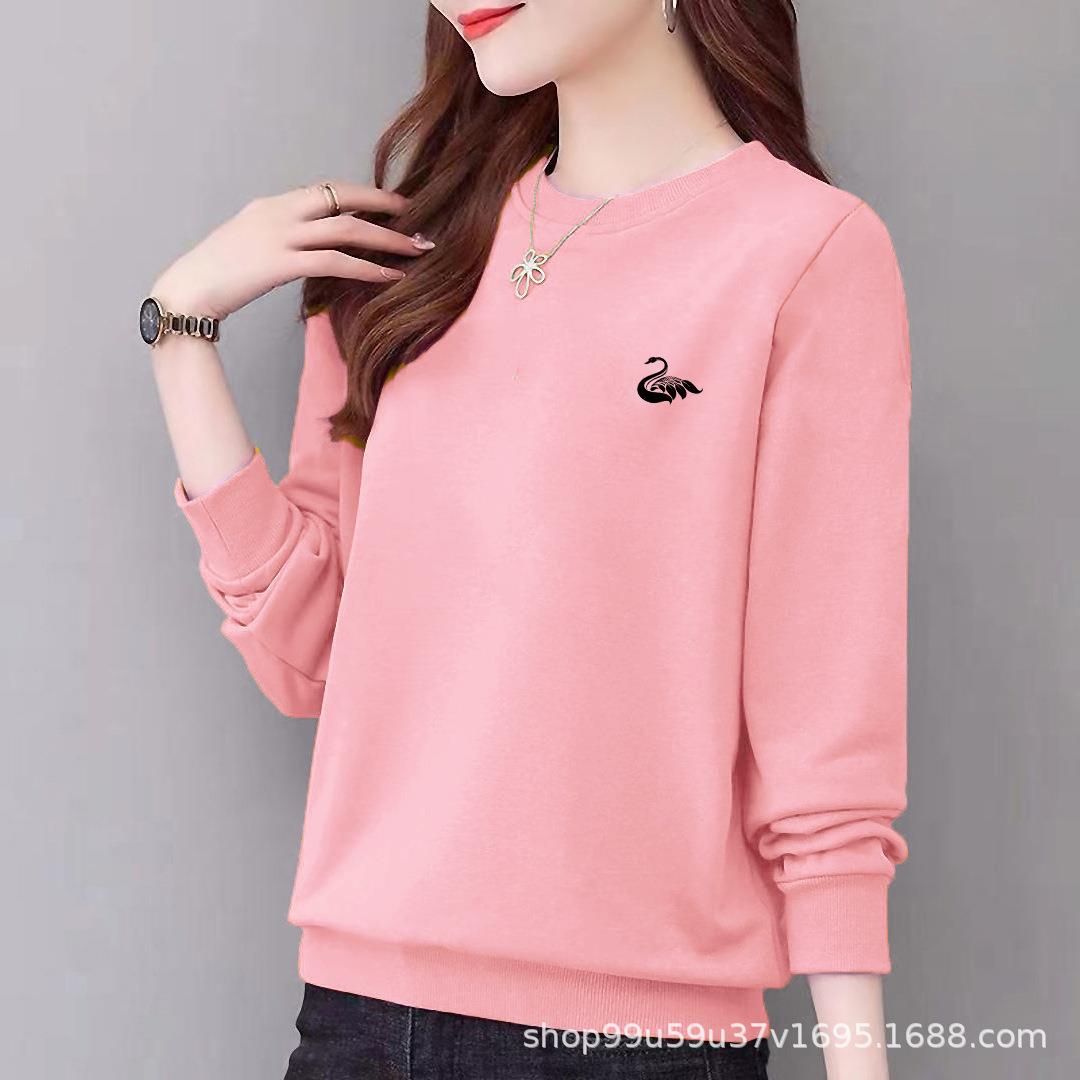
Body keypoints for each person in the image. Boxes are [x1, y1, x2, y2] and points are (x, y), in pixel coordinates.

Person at [144, 2, 911, 1077]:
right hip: (363, 1021)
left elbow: (822, 709)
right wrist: (180, 335)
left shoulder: (803, 251)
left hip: (643, 1040)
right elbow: (309, 660)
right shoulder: (406, 267)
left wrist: (858, 1062)